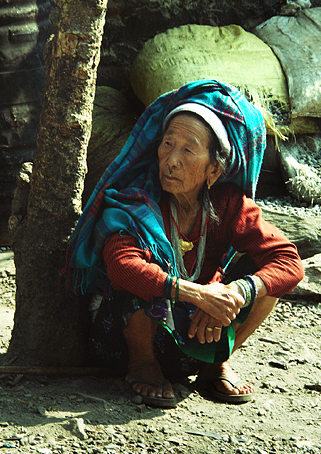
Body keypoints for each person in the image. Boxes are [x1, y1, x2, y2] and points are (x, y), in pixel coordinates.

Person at [66, 80, 304, 408]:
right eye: (167, 144)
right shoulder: (135, 201)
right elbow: (121, 265)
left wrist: (238, 292)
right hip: (127, 340)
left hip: (200, 334)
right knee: (136, 280)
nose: (171, 159)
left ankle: (214, 365)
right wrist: (196, 293)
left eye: (188, 149)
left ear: (214, 169)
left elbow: (289, 261)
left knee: (267, 279)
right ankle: (144, 367)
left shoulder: (229, 204)